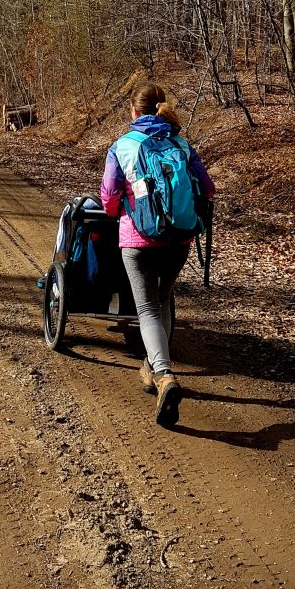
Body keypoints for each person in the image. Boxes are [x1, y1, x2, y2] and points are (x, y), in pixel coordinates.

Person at [100, 81, 215, 428]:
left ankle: (164, 375)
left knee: (147, 307)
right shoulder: (180, 142)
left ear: (133, 112)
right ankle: (151, 368)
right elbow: (207, 189)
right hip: (179, 239)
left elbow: (108, 199)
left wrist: (125, 204)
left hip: (138, 239)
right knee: (163, 300)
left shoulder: (122, 146)